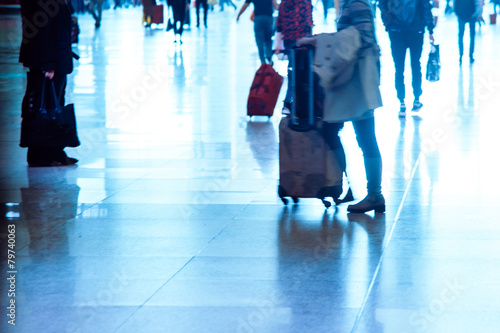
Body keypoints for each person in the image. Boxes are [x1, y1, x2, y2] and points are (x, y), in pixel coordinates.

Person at [297, 0, 385, 213]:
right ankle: (352, 188)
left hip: (356, 81)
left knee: (351, 134)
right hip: (354, 81)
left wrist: (322, 41)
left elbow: (361, 39)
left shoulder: (357, 4)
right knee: (345, 133)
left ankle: (368, 192)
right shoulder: (352, 3)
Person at [19, 0, 79, 167]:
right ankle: (41, 153)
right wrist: (48, 63)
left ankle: (53, 150)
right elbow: (43, 28)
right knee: (43, 106)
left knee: (52, 106)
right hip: (48, 60)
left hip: (53, 58)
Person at [378, 0, 435, 117]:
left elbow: (382, 3)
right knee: (416, 65)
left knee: (399, 68)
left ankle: (401, 102)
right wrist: (430, 28)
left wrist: (387, 20)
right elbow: (425, 6)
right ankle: (417, 99)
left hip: (395, 30)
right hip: (416, 29)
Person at [276, 0, 313, 113]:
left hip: (288, 39)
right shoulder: (305, 1)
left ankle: (289, 103)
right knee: (303, 72)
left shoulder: (284, 1)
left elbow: (279, 21)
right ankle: (295, 103)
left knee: (292, 70)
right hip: (302, 39)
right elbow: (308, 21)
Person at [236, 0, 279, 65]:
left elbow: (246, 5)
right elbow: (275, 5)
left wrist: (239, 15)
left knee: (259, 41)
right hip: (269, 19)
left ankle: (263, 62)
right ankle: (269, 56)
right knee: (268, 39)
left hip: (258, 19)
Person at [454, 0, 483, 64]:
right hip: (472, 15)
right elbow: (478, 3)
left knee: (461, 35)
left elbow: (454, 3)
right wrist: (478, 13)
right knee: (472, 36)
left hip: (461, 15)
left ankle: (461, 54)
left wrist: (457, 13)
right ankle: (470, 55)